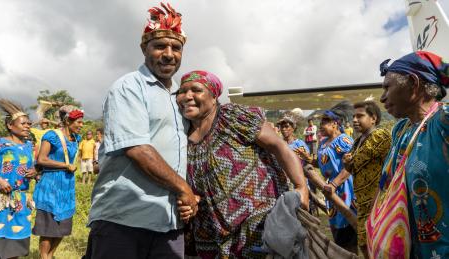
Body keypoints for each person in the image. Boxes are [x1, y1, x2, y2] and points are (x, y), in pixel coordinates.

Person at [84, 3, 198, 259]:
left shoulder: (180, 95)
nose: (169, 54)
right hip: (124, 219)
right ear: (143, 49)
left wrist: (190, 197)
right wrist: (184, 188)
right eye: (159, 46)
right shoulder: (128, 88)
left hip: (169, 222)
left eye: (176, 48)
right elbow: (138, 149)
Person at [176, 70, 308, 258]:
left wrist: (301, 187)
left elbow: (279, 147)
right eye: (182, 91)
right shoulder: (180, 133)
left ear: (214, 96)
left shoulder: (233, 117)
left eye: (196, 90)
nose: (187, 96)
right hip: (210, 233)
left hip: (257, 224)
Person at [370, 51, 449, 258]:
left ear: (413, 83)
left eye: (387, 87)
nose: (382, 97)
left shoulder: (444, 122)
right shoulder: (401, 130)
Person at [299, 101, 357, 253]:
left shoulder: (344, 140)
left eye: (325, 121)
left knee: (349, 230)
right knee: (338, 233)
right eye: (321, 121)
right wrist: (309, 159)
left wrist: (334, 185)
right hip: (330, 190)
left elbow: (351, 166)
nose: (321, 124)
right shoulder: (324, 142)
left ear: (335, 124)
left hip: (345, 188)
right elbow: (322, 163)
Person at [32, 105, 83, 259]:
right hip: (51, 185)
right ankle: (44, 257)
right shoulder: (52, 136)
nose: (81, 125)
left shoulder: (76, 138)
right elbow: (41, 159)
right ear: (68, 121)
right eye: (78, 122)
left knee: (63, 227)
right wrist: (64, 165)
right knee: (48, 228)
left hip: (67, 186)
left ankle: (50, 256)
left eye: (82, 122)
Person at [342, 101, 391, 258]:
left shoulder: (379, 136)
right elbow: (350, 167)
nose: (355, 120)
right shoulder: (357, 141)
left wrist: (349, 162)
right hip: (363, 203)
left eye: (360, 116)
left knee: (378, 244)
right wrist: (347, 163)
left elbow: (357, 161)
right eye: (353, 116)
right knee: (364, 243)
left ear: (373, 118)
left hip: (379, 201)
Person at [0, 99, 37, 258]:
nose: (27, 126)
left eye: (29, 123)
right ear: (10, 125)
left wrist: (35, 172)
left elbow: (35, 167)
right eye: (23, 123)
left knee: (15, 244)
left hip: (20, 201)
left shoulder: (30, 146)